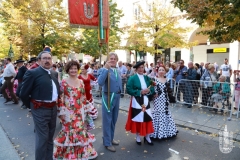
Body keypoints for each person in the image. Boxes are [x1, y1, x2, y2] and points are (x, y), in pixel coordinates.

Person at [20, 51, 61, 160]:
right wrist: (32, 106)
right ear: (39, 61)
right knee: (42, 138)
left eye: (49, 58)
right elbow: (23, 93)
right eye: (44, 58)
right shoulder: (32, 73)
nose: (47, 61)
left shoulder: (54, 73)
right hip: (39, 109)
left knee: (50, 137)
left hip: (53, 109)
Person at [53, 61, 98, 159]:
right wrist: (61, 112)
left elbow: (83, 97)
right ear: (68, 70)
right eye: (71, 68)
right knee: (69, 132)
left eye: (75, 68)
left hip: (80, 111)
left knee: (80, 132)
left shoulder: (81, 81)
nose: (73, 70)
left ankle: (80, 155)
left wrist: (87, 110)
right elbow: (60, 98)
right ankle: (70, 156)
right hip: (68, 112)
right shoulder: (63, 82)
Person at [125, 61, 156, 146]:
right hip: (137, 100)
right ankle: (138, 136)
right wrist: (140, 92)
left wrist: (149, 90)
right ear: (136, 69)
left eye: (142, 67)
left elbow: (152, 88)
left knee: (147, 117)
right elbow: (129, 89)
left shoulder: (147, 78)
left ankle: (147, 136)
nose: (141, 69)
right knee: (138, 118)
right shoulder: (132, 78)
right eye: (139, 67)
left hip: (146, 100)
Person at [97, 53, 122, 152]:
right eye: (110, 58)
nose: (112, 60)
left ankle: (111, 138)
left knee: (113, 119)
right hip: (108, 97)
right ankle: (107, 142)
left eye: (114, 59)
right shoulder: (103, 70)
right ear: (107, 60)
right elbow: (100, 82)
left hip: (117, 96)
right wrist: (105, 69)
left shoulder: (117, 70)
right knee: (107, 120)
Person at [150, 65, 178, 139]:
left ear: (165, 72)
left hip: (165, 99)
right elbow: (151, 89)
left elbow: (169, 90)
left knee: (165, 112)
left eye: (163, 70)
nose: (161, 71)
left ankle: (165, 132)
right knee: (157, 113)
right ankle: (156, 132)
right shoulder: (154, 79)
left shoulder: (168, 79)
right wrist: (153, 95)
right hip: (157, 99)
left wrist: (171, 98)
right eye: (160, 70)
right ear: (157, 71)